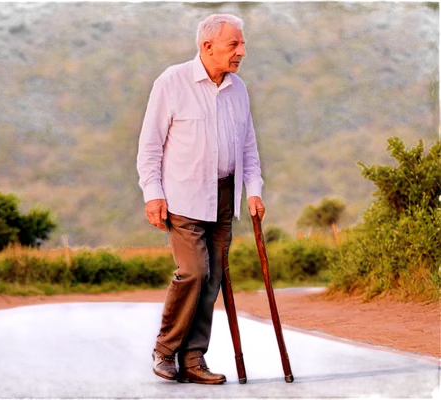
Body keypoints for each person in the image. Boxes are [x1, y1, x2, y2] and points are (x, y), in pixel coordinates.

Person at [136, 13, 265, 385]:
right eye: (234, 44)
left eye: (242, 43)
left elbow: (248, 146)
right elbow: (149, 147)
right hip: (182, 195)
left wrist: (253, 190)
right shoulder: (172, 82)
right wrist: (153, 194)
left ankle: (194, 358)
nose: (242, 50)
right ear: (207, 47)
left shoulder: (238, 88)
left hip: (225, 194)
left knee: (213, 280)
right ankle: (165, 348)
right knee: (195, 272)